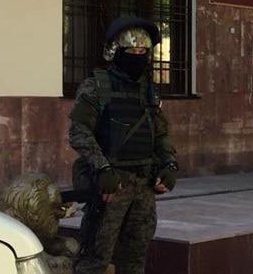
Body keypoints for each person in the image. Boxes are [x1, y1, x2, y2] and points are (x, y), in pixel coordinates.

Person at [68, 17, 179, 274]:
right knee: (95, 259)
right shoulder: (96, 86)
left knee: (135, 259)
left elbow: (160, 133)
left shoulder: (149, 90)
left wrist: (170, 164)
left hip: (144, 186)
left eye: (143, 52)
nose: (137, 57)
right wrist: (103, 168)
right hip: (112, 186)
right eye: (131, 51)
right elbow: (79, 131)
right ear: (115, 52)